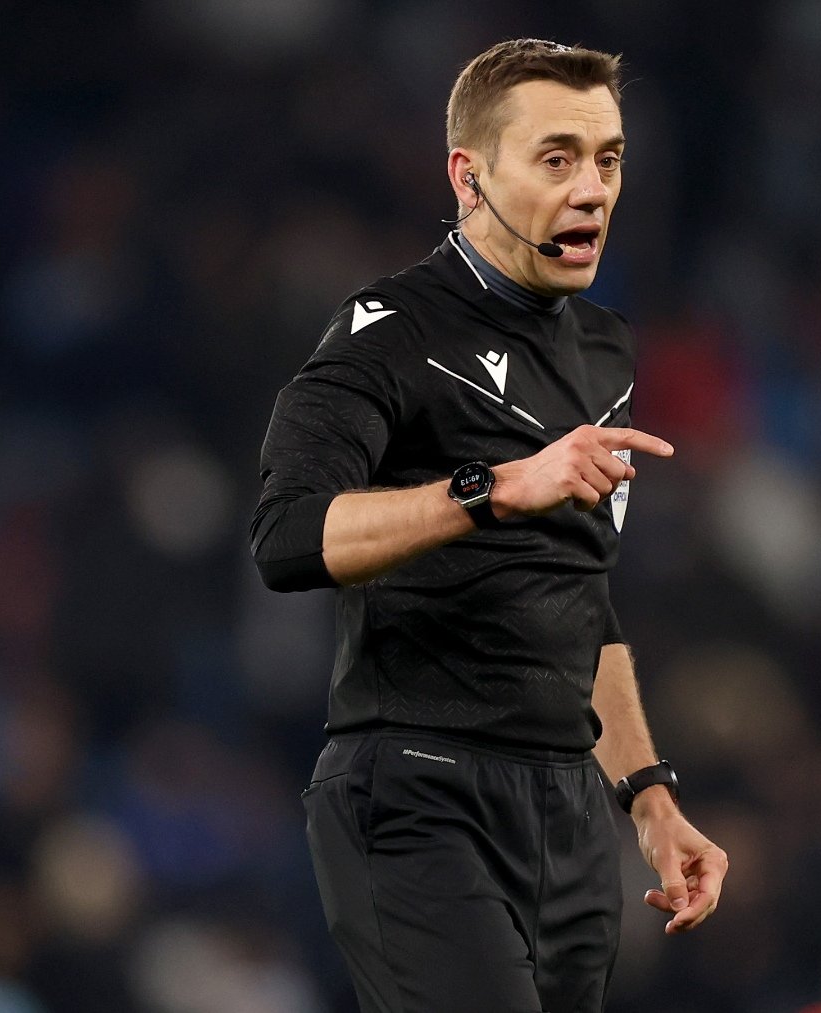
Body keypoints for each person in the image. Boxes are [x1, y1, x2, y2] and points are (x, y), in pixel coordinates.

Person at [249, 38, 729, 1013]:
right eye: (557, 158)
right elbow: (288, 534)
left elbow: (580, 600)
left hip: (566, 812)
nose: (593, 187)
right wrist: (491, 489)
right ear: (469, 175)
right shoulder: (389, 329)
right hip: (420, 791)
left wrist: (649, 796)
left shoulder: (604, 348)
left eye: (609, 159)